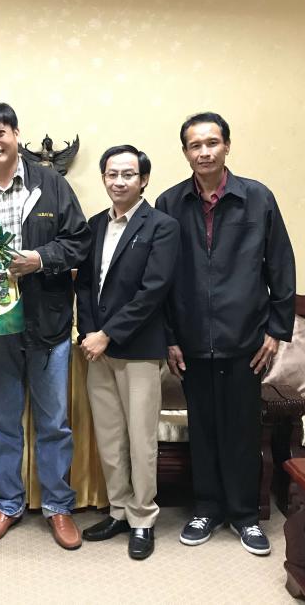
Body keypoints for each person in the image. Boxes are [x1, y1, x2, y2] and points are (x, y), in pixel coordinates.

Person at [0, 99, 91, 550]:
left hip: (48, 322)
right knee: (0, 421)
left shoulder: (51, 184)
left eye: (0, 132)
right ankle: (7, 503)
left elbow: (79, 242)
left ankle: (58, 506)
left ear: (16, 135)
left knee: (54, 423)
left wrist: (39, 259)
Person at [155, 112, 295, 556]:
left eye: (212, 143)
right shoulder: (169, 203)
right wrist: (169, 336)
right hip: (191, 339)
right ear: (185, 152)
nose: (204, 152)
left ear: (227, 146)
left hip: (246, 340)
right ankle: (207, 509)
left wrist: (276, 330)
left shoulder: (257, 198)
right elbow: (160, 278)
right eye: (195, 145)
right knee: (203, 429)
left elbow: (281, 265)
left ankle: (245, 515)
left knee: (241, 431)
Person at [75, 145, 179, 560]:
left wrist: (108, 334)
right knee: (110, 436)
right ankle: (118, 510)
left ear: (144, 180)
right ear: (104, 177)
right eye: (112, 174)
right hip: (97, 350)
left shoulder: (162, 226)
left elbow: (154, 291)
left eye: (128, 174)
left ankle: (143, 518)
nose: (119, 181)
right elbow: (85, 284)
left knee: (140, 439)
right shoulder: (96, 224)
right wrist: (88, 332)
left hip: (138, 349)